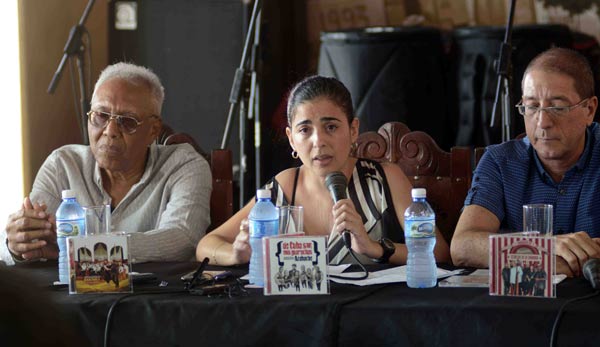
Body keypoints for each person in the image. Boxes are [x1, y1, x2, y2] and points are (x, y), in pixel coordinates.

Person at [196, 76, 450, 266]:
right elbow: (207, 244)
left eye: (330, 127)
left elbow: (438, 251)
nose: (319, 141)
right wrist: (235, 254)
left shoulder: (384, 179)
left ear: (353, 130)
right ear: (291, 139)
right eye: (305, 130)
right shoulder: (284, 187)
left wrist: (374, 248)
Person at [1, 62, 212, 265]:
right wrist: (16, 245)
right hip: (72, 299)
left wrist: (88, 247)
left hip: (150, 299)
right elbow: (22, 244)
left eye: (127, 121)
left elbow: (182, 240)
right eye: (101, 116)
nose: (110, 131)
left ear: (153, 130)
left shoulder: (183, 166)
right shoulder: (63, 165)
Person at [451, 47, 600, 277]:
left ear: (589, 110)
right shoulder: (501, 161)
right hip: (521, 306)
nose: (542, 122)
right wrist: (546, 249)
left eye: (558, 107)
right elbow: (463, 247)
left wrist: (516, 255)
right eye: (531, 107)